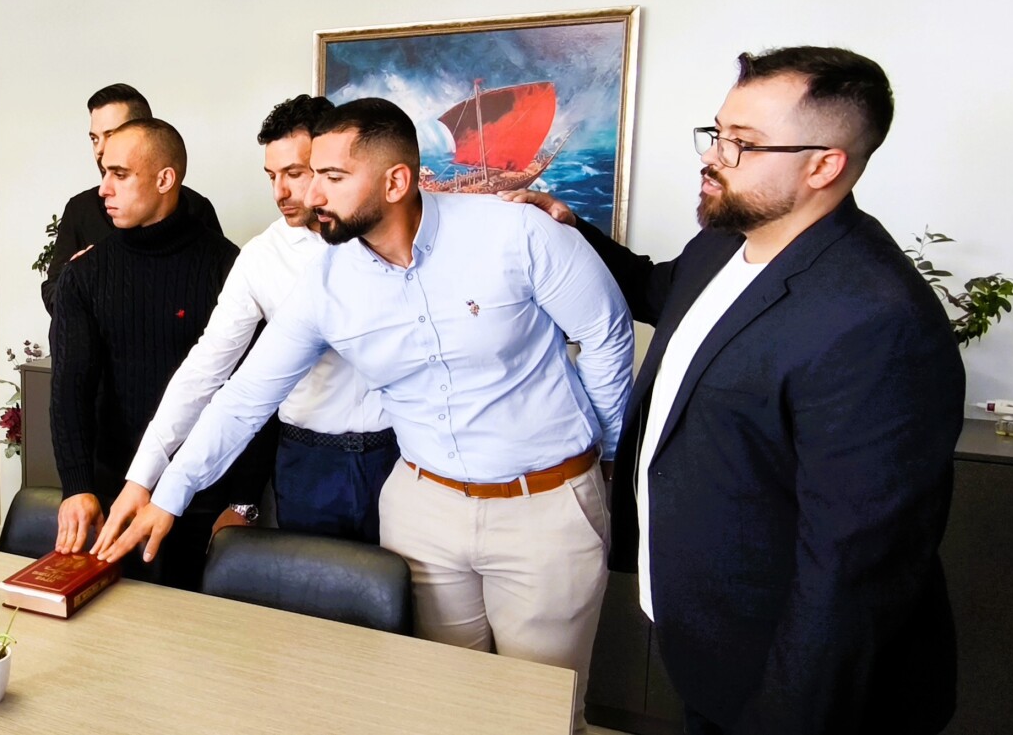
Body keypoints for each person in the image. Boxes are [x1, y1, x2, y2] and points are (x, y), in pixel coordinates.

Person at [96, 98, 633, 727]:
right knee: (439, 706)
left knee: (539, 712)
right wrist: (167, 493)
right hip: (423, 512)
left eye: (331, 177)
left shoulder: (517, 233)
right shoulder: (326, 283)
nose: (310, 195)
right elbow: (244, 396)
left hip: (543, 508)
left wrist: (600, 455)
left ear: (395, 181)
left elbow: (606, 333)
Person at [504, 46, 961, 735]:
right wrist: (571, 229)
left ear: (824, 165)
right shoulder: (728, 244)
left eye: (741, 143)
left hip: (791, 683)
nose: (713, 156)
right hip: (710, 644)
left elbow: (850, 573)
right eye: (716, 133)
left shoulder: (878, 320)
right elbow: (658, 289)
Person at [124, 94, 394, 542]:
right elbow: (206, 369)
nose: (279, 193)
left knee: (402, 585)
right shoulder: (260, 258)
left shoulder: (386, 238)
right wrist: (144, 476)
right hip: (307, 462)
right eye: (272, 176)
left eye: (294, 174)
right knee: (309, 585)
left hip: (398, 454)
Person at [48, 117, 272, 590]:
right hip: (115, 490)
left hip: (206, 492)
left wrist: (244, 501)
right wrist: (77, 485)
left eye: (120, 174)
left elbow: (257, 392)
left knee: (197, 625)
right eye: (104, 173)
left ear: (165, 178)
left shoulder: (229, 268)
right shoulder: (85, 276)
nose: (103, 189)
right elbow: (69, 389)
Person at [41, 84, 221, 313]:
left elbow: (221, 300)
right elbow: (54, 292)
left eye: (111, 135)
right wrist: (76, 279)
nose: (100, 150)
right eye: (94, 139)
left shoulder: (196, 209)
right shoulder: (80, 210)